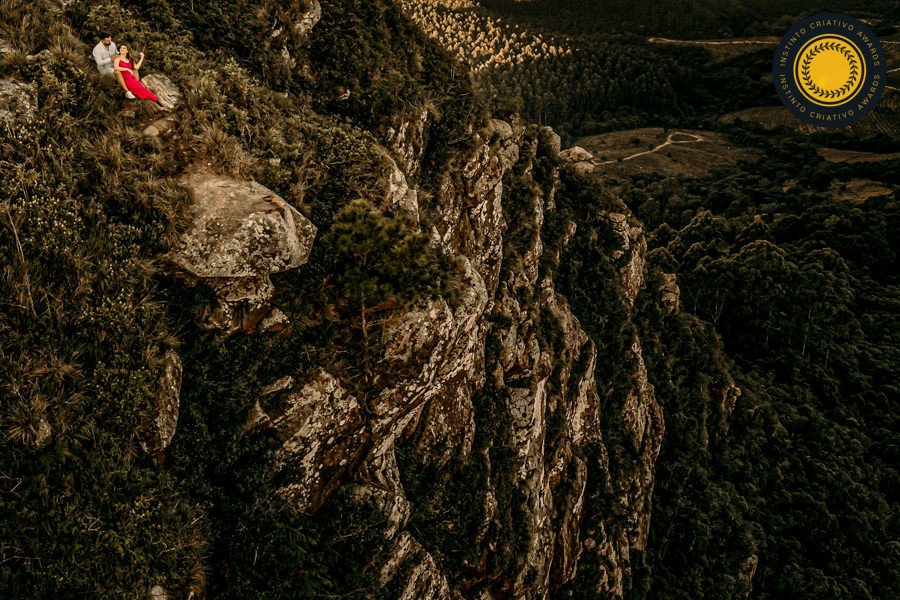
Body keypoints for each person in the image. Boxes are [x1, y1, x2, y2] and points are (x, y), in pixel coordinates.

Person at [92, 34, 135, 99]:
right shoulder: (97, 49)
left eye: (110, 40)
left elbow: (116, 53)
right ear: (102, 40)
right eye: (107, 41)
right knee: (116, 71)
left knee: (129, 67)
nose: (110, 42)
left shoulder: (112, 44)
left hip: (115, 64)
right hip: (105, 69)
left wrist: (122, 54)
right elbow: (99, 63)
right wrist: (111, 59)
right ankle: (127, 92)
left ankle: (134, 86)